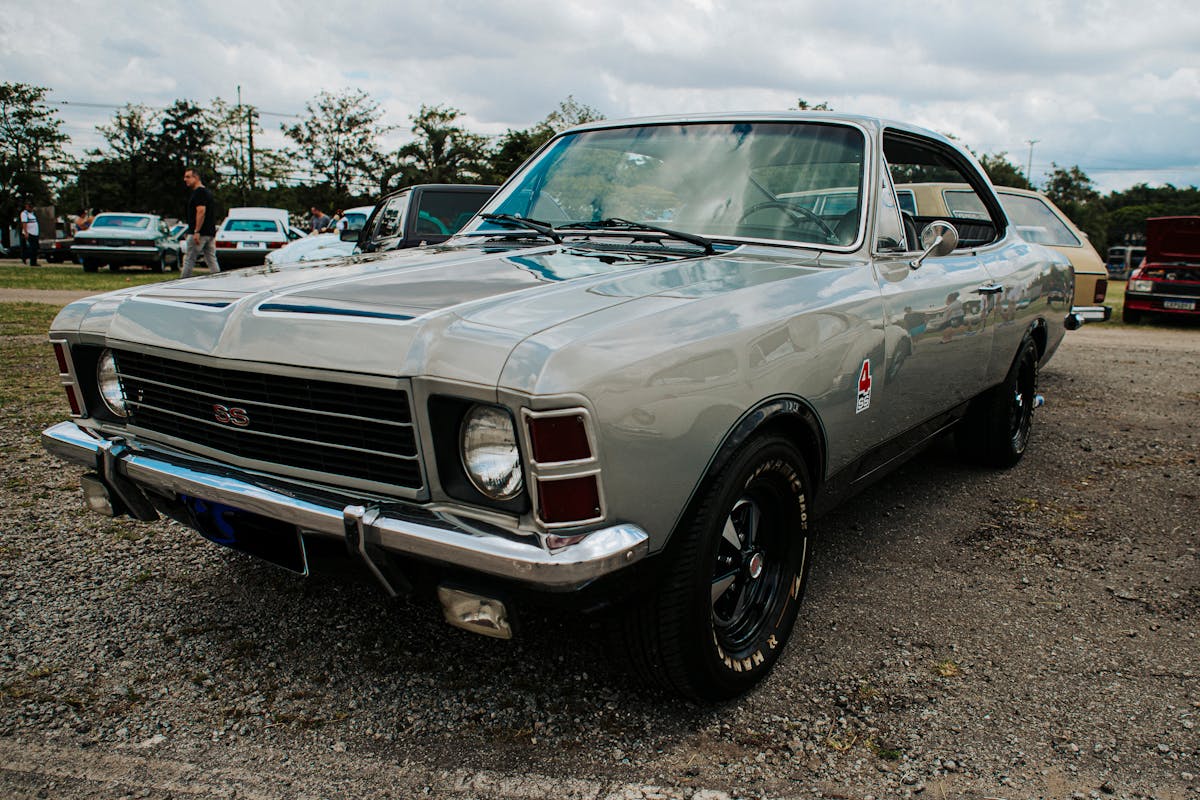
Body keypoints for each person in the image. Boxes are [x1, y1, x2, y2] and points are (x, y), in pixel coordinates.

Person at [181, 167, 219, 278]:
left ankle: (182, 283)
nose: (185, 179)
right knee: (211, 259)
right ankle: (218, 280)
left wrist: (197, 231)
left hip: (199, 233)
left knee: (189, 259)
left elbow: (201, 211)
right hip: (209, 233)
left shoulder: (199, 192)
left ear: (196, 177)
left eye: (188, 177)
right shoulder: (207, 192)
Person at [19, 200, 40, 266]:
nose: (31, 208)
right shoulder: (24, 214)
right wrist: (26, 233)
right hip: (29, 233)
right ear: (26, 207)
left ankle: (34, 261)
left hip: (35, 233)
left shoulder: (32, 214)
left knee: (35, 248)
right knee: (32, 248)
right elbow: (24, 223)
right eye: (29, 207)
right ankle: (31, 262)